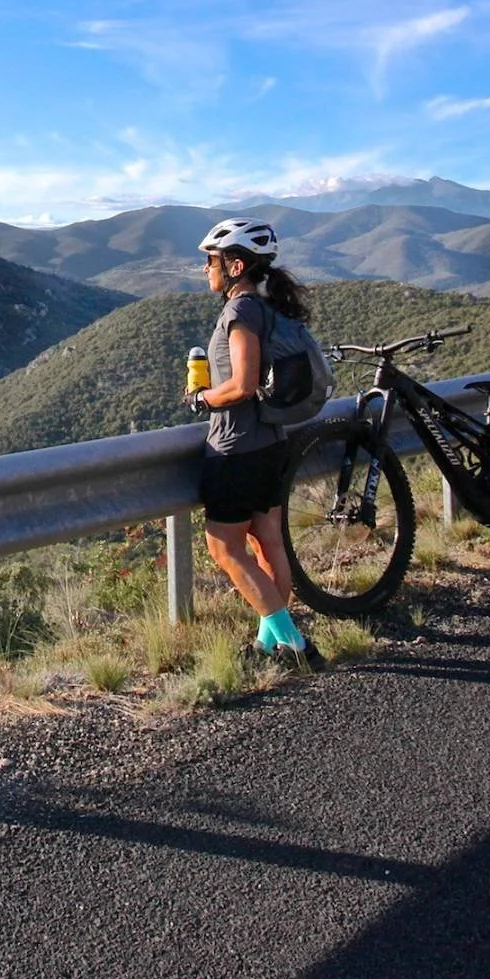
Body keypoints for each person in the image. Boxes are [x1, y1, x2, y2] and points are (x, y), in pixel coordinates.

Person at [189, 218, 318, 660]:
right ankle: (268, 646)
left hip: (236, 446)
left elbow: (242, 384)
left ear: (235, 265)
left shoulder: (240, 311)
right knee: (269, 541)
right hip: (270, 441)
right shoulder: (268, 308)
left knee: (224, 548)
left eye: (211, 261)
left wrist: (203, 398)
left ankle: (294, 642)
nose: (206, 269)